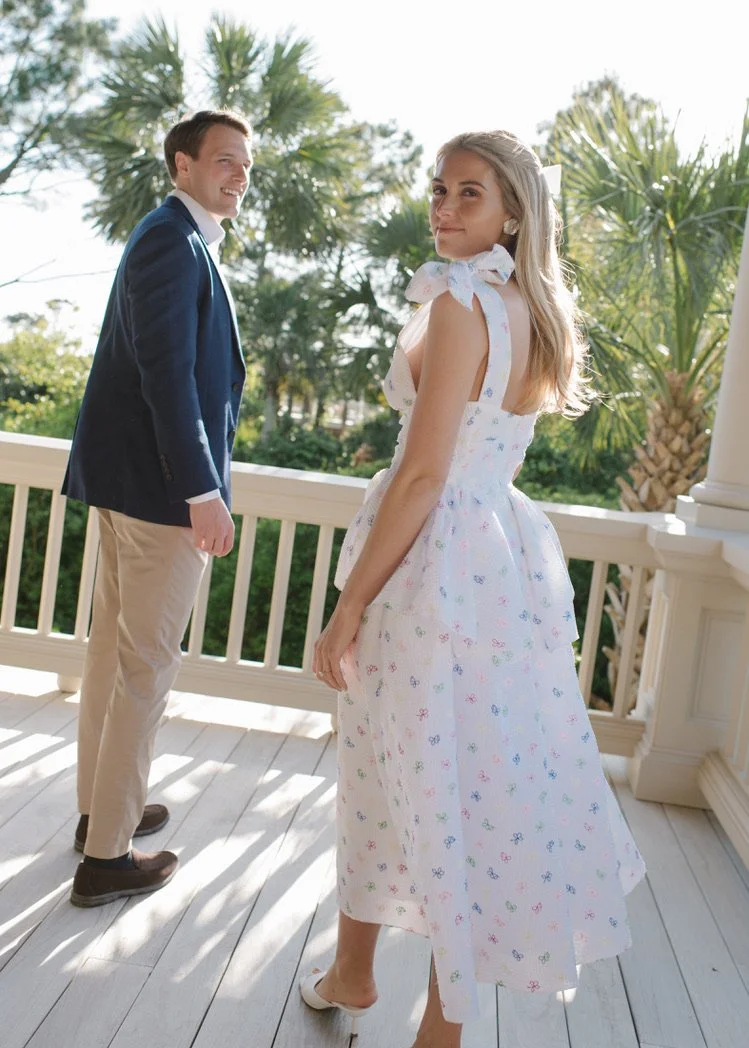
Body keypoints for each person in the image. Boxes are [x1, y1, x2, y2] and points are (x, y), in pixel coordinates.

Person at [306, 130, 646, 1047]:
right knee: (468, 786)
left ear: (511, 214)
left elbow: (422, 475)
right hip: (496, 559)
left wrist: (347, 608)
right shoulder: (529, 309)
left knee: (391, 773)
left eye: (469, 193)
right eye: (440, 188)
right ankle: (360, 976)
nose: (445, 207)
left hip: (430, 565)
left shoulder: (458, 303)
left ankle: (428, 1019)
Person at [61, 109, 252, 907]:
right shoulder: (170, 245)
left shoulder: (177, 241)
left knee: (114, 659)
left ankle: (99, 814)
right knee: (143, 670)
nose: (238, 175)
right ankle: (106, 859)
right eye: (223, 162)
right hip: (160, 497)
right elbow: (168, 379)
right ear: (181, 164)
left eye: (245, 166)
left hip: (131, 488)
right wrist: (201, 492)